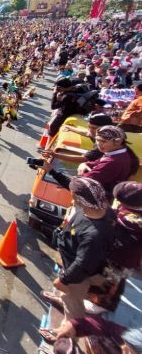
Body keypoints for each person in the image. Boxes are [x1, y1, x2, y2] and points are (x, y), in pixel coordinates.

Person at [40, 177, 115, 322]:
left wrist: (64, 280)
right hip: (75, 262)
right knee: (68, 296)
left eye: (72, 193)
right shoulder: (98, 209)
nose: (70, 194)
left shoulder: (93, 235)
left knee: (73, 304)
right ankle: (65, 299)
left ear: (78, 198)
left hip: (80, 277)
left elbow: (83, 264)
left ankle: (67, 335)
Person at [44, 126, 139, 199]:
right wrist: (85, 164)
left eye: (103, 141)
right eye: (97, 140)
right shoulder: (120, 152)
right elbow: (96, 162)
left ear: (117, 142)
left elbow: (79, 185)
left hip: (95, 200)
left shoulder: (112, 162)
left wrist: (52, 171)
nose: (99, 144)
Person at [41, 113, 113, 164]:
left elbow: (82, 159)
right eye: (89, 127)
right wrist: (70, 128)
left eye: (93, 128)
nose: (90, 130)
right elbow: (86, 133)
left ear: (105, 128)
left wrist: (55, 155)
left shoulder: (103, 145)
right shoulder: (103, 134)